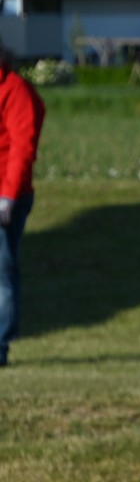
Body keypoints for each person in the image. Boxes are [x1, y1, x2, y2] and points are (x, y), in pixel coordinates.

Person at [0, 46, 45, 368]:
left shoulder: (14, 89)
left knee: (2, 271)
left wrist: (8, 196)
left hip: (6, 195)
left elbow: (22, 146)